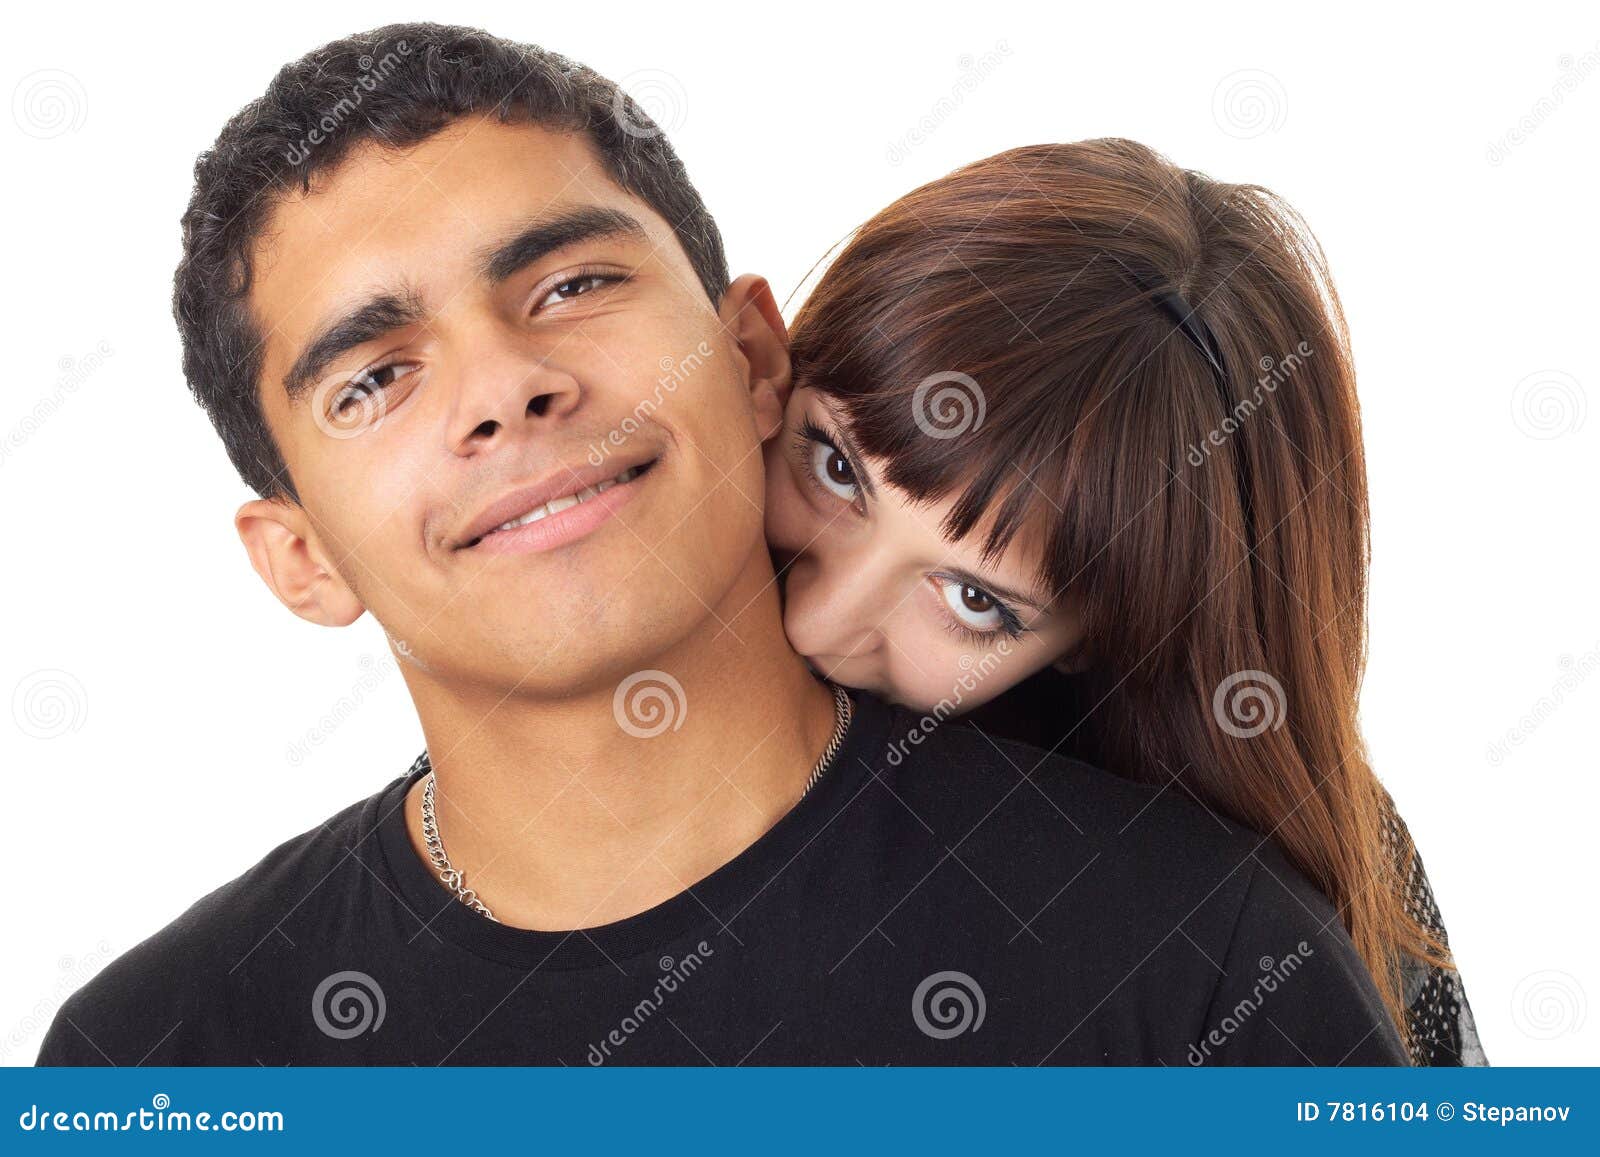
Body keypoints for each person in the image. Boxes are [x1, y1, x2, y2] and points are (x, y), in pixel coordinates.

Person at [38, 23, 1405, 1066]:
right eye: (373, 376)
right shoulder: (153, 1058)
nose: (505, 384)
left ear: (752, 352)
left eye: (571, 285)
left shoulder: (1205, 971)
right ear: (298, 559)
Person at [764, 140, 1484, 1064]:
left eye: (977, 599)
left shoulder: (1258, 938)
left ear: (1094, 645)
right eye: (834, 467)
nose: (816, 622)